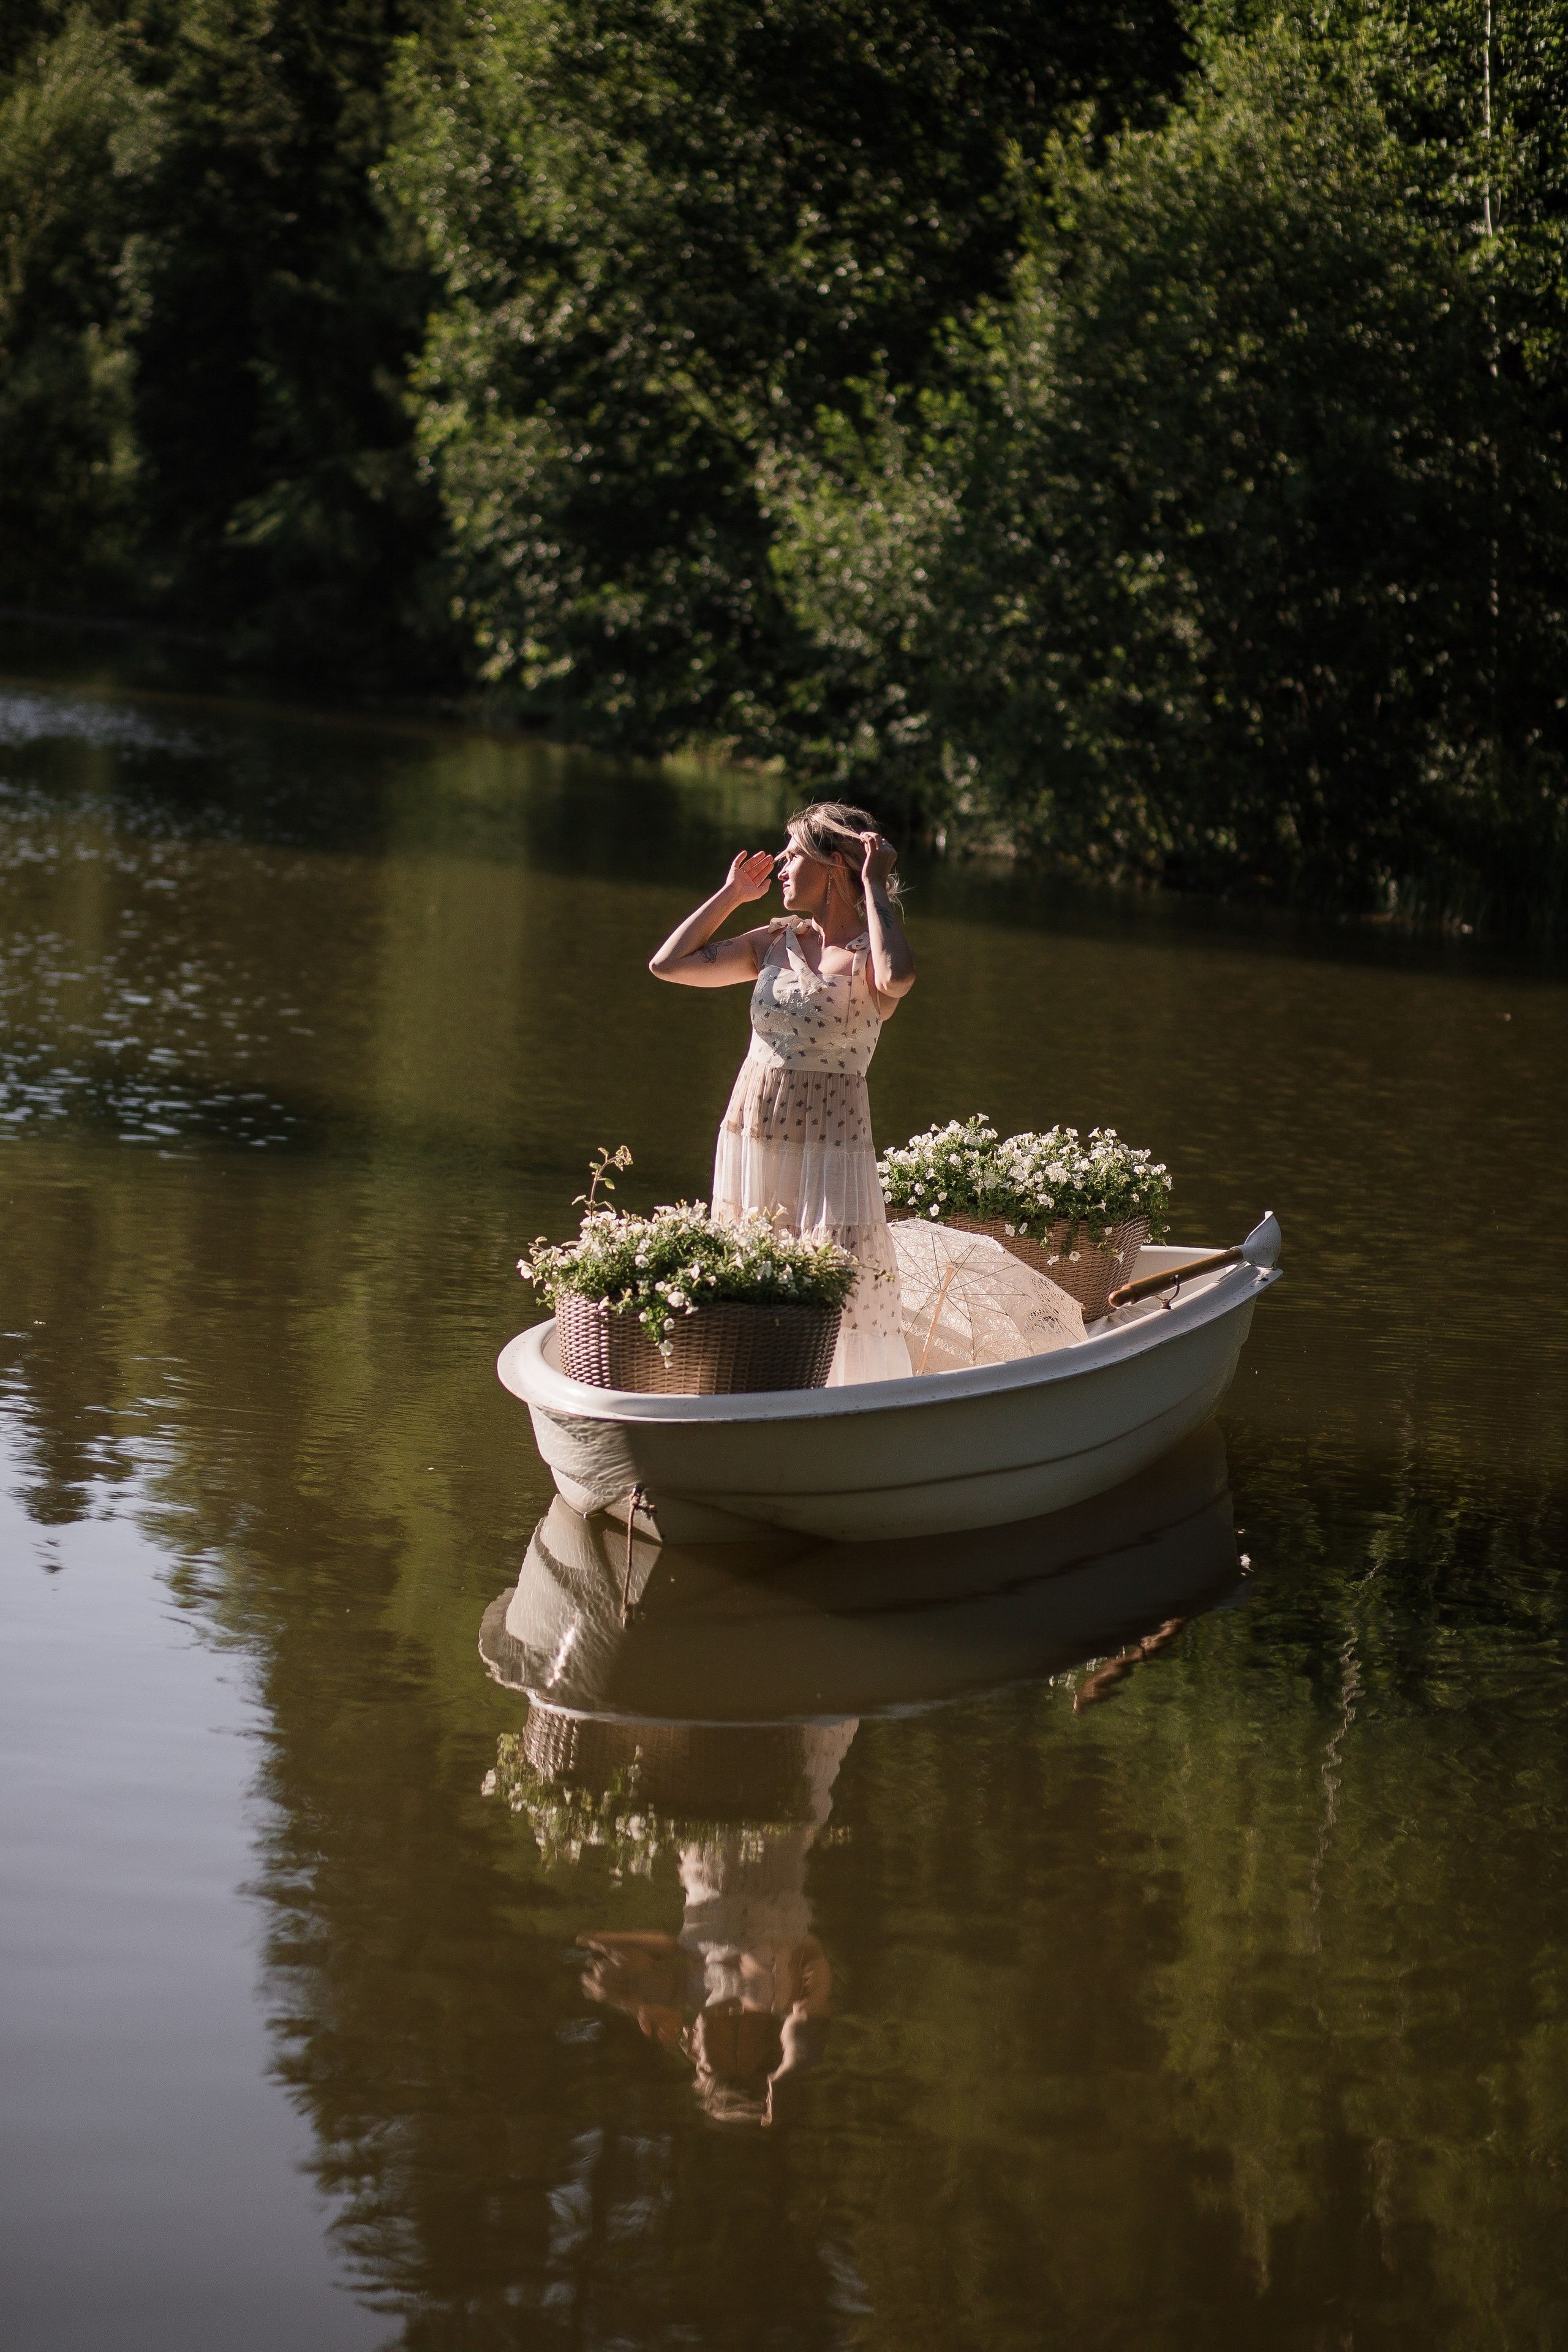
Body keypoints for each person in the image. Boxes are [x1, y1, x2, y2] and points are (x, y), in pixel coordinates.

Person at [648, 799, 916, 1385]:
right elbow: (668, 965)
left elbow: (897, 980)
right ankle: (744, 1384)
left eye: (794, 854)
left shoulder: (871, 956)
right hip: (756, 1127)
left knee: (833, 1271)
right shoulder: (773, 942)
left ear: (836, 864)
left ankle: (835, 1399)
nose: (782, 867)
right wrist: (731, 897)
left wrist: (872, 886)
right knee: (750, 1258)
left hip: (834, 1142)